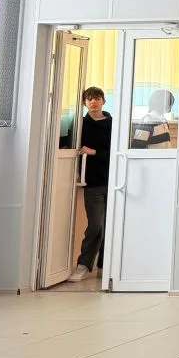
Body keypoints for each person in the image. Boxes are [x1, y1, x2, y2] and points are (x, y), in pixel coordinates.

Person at [68, 87, 111, 283]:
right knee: (96, 224)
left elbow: (115, 151)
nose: (93, 102)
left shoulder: (113, 123)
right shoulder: (80, 124)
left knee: (110, 226)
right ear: (84, 103)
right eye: (89, 99)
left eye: (97, 98)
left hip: (113, 180)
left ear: (103, 101)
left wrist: (94, 152)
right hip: (92, 181)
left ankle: (104, 266)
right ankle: (83, 265)